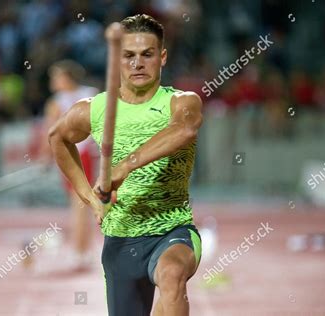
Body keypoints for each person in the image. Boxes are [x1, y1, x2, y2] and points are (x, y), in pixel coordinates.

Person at [48, 14, 203, 316]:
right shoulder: (95, 109)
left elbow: (183, 130)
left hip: (172, 229)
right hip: (120, 239)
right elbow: (58, 137)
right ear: (116, 60)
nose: (138, 63)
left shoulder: (182, 102)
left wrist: (125, 166)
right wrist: (89, 198)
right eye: (128, 56)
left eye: (147, 55)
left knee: (172, 276)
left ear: (162, 57)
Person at [42, 60, 99, 270]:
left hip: (72, 154)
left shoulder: (57, 102)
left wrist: (45, 157)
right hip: (88, 154)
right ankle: (84, 250)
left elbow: (50, 133)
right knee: (84, 204)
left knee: (78, 205)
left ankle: (78, 251)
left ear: (67, 78)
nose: (53, 81)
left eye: (56, 77)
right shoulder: (92, 93)